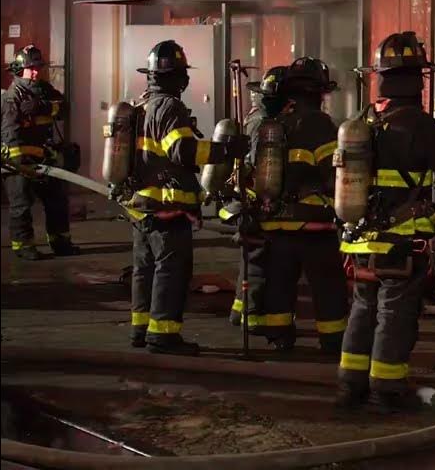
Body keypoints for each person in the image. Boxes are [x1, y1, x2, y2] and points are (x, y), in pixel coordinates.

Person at [336, 31, 435, 412]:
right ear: (418, 79)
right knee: (394, 316)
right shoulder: (418, 124)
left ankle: (350, 385)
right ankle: (386, 389)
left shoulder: (366, 121)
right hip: (399, 243)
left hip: (359, 238)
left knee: (362, 310)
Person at [125, 40, 248, 354]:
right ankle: (163, 334)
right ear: (177, 77)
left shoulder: (142, 106)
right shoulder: (168, 106)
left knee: (145, 270)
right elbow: (182, 150)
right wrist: (225, 151)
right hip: (168, 206)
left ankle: (141, 329)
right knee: (171, 270)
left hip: (142, 206)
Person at [249, 57, 348, 352]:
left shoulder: (276, 124)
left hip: (277, 223)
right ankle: (333, 339)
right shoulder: (319, 123)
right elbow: (334, 174)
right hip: (313, 223)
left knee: (280, 283)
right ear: (319, 93)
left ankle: (280, 336)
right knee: (327, 286)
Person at [226, 67, 289, 330]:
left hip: (244, 199)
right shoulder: (269, 127)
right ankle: (253, 317)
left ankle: (239, 311)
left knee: (249, 261)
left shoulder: (253, 119)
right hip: (258, 201)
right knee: (261, 265)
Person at [2, 45, 78, 259]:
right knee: (21, 205)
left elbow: (64, 107)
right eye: (30, 68)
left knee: (57, 200)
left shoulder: (45, 89)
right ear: (19, 70)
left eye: (37, 67)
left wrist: (42, 107)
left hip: (45, 158)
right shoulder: (12, 97)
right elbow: (11, 135)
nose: (35, 72)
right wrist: (21, 164)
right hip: (19, 161)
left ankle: (60, 242)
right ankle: (23, 247)